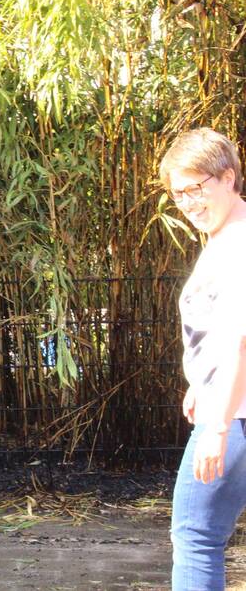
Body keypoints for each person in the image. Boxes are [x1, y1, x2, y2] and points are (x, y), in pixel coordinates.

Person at [159, 127, 246, 589]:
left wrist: (218, 426)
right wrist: (201, 382)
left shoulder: (237, 247)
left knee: (195, 536)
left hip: (234, 417)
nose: (189, 202)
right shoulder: (225, 239)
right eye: (179, 193)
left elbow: (239, 341)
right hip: (228, 406)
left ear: (228, 177)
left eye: (198, 187)